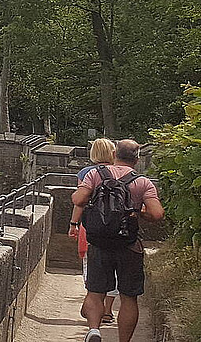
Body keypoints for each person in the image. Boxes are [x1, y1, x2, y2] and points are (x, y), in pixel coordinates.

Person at [70, 139, 164, 342]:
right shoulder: (142, 182)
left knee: (95, 292)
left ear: (114, 155)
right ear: (137, 159)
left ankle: (94, 330)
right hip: (128, 245)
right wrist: (137, 211)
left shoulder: (95, 174)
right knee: (129, 297)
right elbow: (156, 214)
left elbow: (78, 200)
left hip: (99, 244)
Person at [74, 139, 119, 325]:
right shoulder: (121, 172)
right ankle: (108, 311)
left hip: (92, 226)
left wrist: (73, 224)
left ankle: (93, 305)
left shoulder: (86, 173)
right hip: (117, 227)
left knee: (91, 267)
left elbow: (80, 201)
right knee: (114, 270)